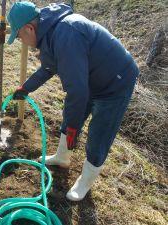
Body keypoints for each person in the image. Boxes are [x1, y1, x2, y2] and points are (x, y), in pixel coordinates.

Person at [7, 1, 139, 201]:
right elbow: (48, 68)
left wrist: (72, 129)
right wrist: (26, 88)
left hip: (115, 82)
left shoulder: (66, 34)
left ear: (29, 28)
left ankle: (85, 181)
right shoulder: (49, 34)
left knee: (98, 133)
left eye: (18, 36)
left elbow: (77, 92)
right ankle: (62, 157)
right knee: (72, 115)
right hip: (90, 78)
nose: (21, 40)